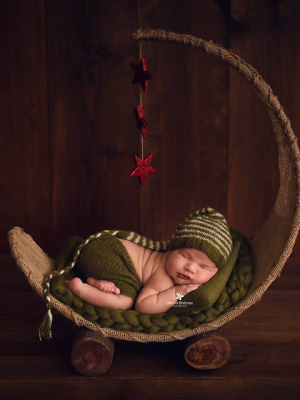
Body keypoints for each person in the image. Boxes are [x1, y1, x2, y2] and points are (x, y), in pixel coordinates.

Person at [65, 207, 233, 314]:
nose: (190, 267)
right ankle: (81, 289)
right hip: (108, 253)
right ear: (171, 249)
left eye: (204, 267)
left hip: (101, 253)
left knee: (121, 284)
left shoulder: (175, 267)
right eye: (184, 256)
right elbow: (143, 305)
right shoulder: (165, 276)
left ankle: (96, 281)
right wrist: (177, 293)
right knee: (125, 301)